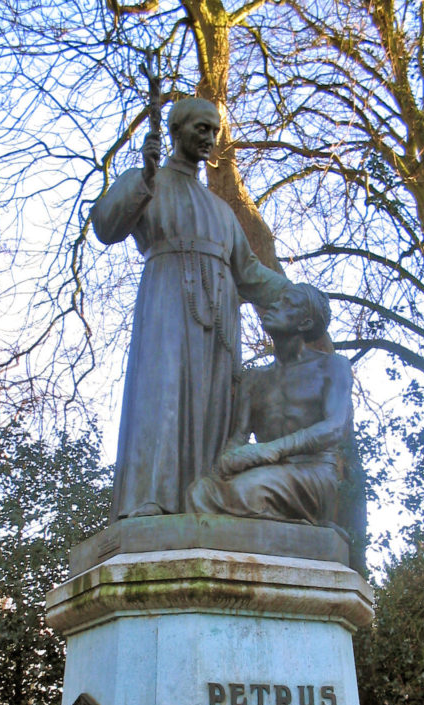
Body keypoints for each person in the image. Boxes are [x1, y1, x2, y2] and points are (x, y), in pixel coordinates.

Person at [91, 97, 288, 520]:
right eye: (201, 129)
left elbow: (249, 272)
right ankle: (153, 498)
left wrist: (294, 293)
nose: (210, 139)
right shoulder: (149, 182)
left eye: (214, 131)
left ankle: (207, 502)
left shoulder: (220, 209)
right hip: (167, 306)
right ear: (176, 131)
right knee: (163, 395)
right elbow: (107, 226)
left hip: (219, 322)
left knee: (214, 404)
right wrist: (141, 178)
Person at [187, 282, 366, 570]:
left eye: (286, 304)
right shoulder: (254, 379)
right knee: (199, 493)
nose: (272, 307)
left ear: (304, 322)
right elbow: (239, 437)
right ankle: (282, 536)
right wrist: (226, 461)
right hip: (267, 472)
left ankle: (298, 533)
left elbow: (334, 427)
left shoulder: (332, 366)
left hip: (314, 472)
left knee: (247, 491)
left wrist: (269, 451)